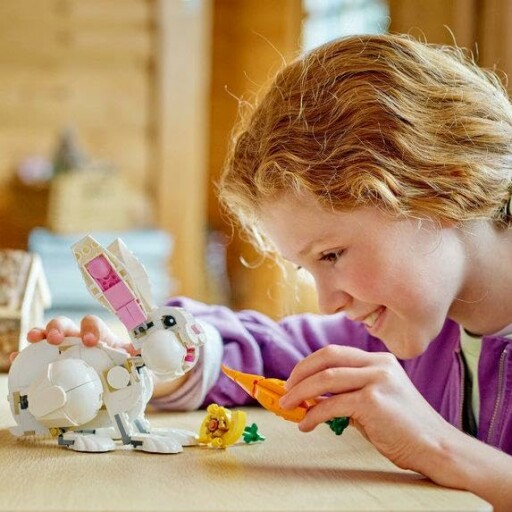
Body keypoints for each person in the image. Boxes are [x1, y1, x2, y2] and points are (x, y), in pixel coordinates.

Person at [22, 34, 512, 510]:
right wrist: (150, 359)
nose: (327, 301)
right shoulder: (412, 328)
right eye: (307, 269)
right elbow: (279, 355)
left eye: (333, 255)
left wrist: (441, 448)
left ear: (445, 185)